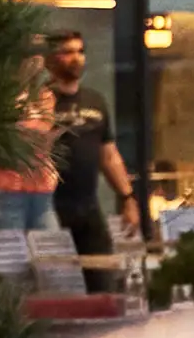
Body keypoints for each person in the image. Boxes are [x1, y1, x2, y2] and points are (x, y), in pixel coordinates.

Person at [40, 29, 142, 274]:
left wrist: (127, 198)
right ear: (50, 59)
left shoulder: (95, 101)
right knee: (58, 280)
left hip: (88, 206)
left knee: (103, 275)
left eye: (80, 51)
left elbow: (108, 155)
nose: (76, 58)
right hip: (49, 207)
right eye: (67, 52)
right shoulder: (39, 102)